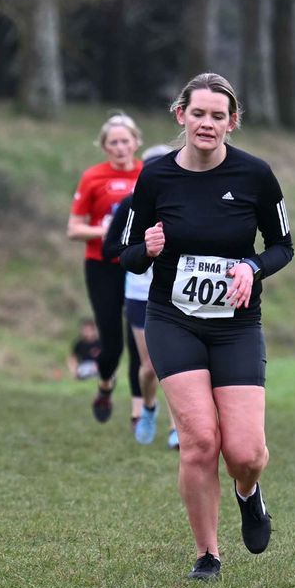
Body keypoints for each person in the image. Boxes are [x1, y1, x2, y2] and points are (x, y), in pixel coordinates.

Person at [120, 73, 293, 581]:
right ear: (181, 115)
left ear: (232, 122)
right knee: (199, 442)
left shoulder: (256, 175)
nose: (207, 124)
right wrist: (147, 249)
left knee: (246, 452)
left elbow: (283, 246)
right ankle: (208, 555)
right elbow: (127, 253)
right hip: (173, 320)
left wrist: (252, 267)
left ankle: (248, 491)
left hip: (236, 326)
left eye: (218, 116)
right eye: (198, 113)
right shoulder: (155, 177)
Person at [66, 112, 144, 424]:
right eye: (114, 143)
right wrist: (108, 231)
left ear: (136, 142)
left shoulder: (149, 174)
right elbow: (73, 229)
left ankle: (140, 409)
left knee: (139, 337)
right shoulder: (93, 177)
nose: (120, 148)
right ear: (104, 147)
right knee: (111, 341)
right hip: (102, 265)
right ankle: (105, 385)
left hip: (139, 265)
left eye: (125, 141)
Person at [102, 144, 175, 445]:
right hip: (140, 294)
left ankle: (176, 429)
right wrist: (142, 249)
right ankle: (148, 408)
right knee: (150, 367)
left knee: (176, 366)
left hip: (176, 294)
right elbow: (109, 249)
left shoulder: (185, 205)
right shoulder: (130, 205)